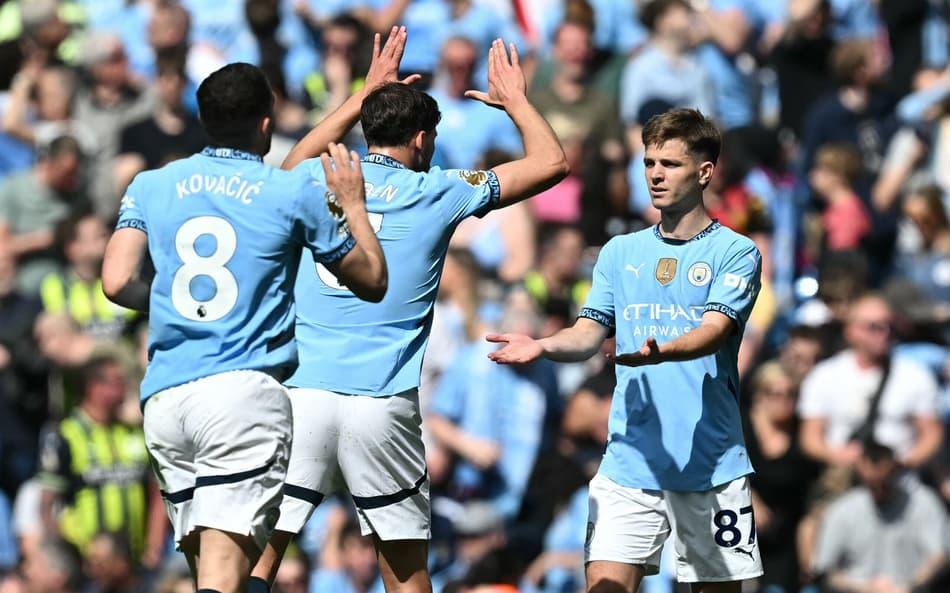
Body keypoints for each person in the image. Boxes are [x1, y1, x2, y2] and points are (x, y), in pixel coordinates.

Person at [250, 28, 568, 593]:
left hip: (304, 396)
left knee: (261, 556)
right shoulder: (442, 190)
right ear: (422, 139)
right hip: (382, 404)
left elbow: (291, 161)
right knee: (404, 572)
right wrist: (517, 101)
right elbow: (550, 162)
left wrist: (362, 94)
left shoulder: (319, 179)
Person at [100, 62, 388, 593]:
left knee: (217, 574)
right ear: (265, 124)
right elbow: (371, 279)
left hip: (165, 400)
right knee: (223, 576)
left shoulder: (152, 184)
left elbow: (116, 282)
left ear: (204, 120)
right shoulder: (286, 193)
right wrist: (354, 206)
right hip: (240, 394)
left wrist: (172, 307)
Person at [487, 108, 764, 593]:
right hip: (631, 459)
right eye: (649, 162)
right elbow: (589, 332)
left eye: (671, 164)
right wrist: (544, 345)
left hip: (711, 463)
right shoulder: (620, 252)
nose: (655, 175)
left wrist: (666, 351)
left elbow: (717, 329)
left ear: (704, 172)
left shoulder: (737, 251)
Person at [36, 355, 161, 562]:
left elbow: (156, 492)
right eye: (117, 382)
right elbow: (47, 504)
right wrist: (65, 554)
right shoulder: (65, 435)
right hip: (86, 564)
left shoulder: (134, 433)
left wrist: (153, 547)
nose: (124, 389)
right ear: (93, 386)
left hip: (134, 563)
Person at [798, 294, 944, 470]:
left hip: (900, 479)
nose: (885, 333)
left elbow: (932, 434)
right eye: (874, 327)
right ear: (850, 331)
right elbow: (810, 438)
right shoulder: (824, 375)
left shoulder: (915, 375)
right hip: (844, 477)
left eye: (889, 326)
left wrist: (900, 463)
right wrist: (838, 456)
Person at [813, 441, 948, 593]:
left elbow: (939, 556)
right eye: (872, 482)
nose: (878, 489)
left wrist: (911, 586)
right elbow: (825, 570)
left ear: (895, 470)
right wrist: (864, 588)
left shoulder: (924, 503)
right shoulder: (842, 510)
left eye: (883, 481)